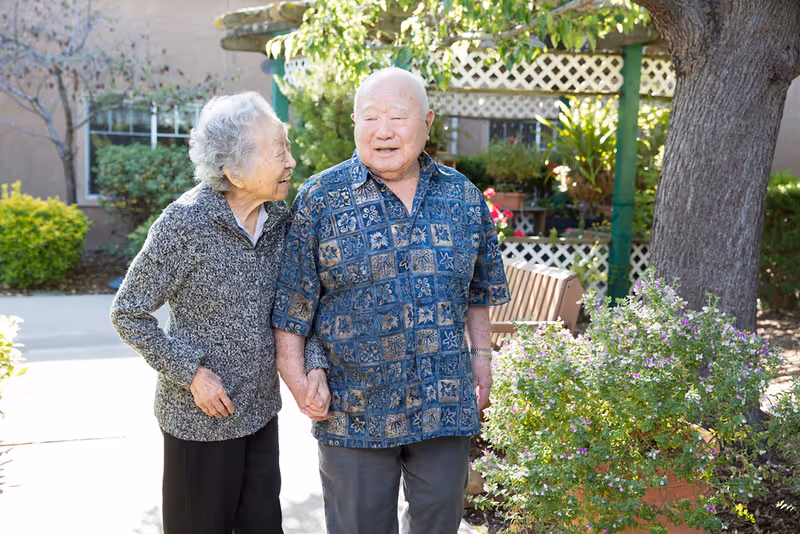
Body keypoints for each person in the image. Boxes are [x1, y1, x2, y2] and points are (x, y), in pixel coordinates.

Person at [272, 68, 510, 534]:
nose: (383, 131)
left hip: (444, 400)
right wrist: (299, 379)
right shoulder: (320, 198)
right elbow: (292, 307)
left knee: (440, 522)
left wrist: (481, 358)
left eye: (398, 118)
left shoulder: (463, 198)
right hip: (352, 408)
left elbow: (480, 290)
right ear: (355, 123)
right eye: (370, 118)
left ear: (428, 122)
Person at [110, 92, 322, 534]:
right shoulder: (184, 223)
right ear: (234, 170)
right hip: (199, 421)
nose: (291, 161)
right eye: (279, 149)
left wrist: (313, 365)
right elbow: (128, 311)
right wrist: (191, 374)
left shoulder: (279, 219)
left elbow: (300, 306)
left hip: (261, 412)